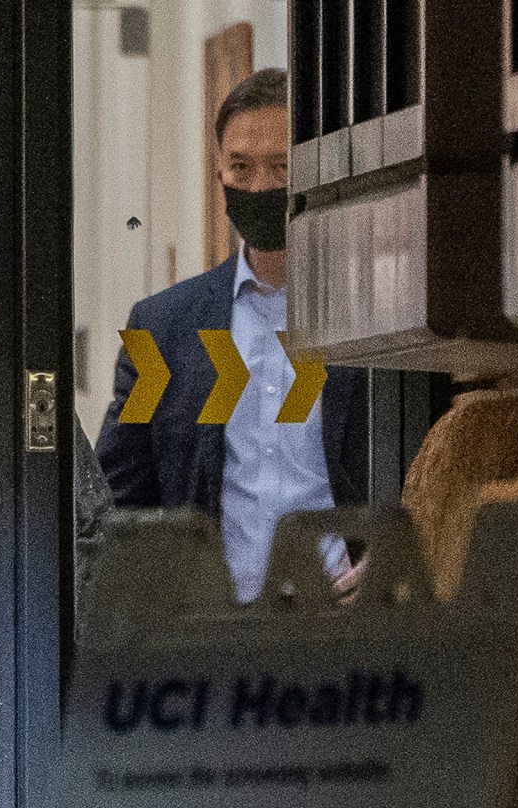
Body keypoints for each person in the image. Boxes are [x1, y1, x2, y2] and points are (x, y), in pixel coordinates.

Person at [93, 68, 368, 603]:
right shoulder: (164, 330)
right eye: (240, 167)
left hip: (351, 622)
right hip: (210, 631)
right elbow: (120, 489)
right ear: (218, 171)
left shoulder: (370, 314)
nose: (260, 186)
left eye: (280, 167)